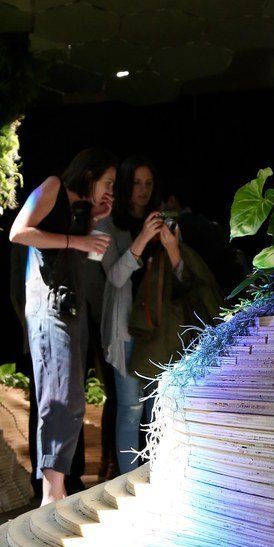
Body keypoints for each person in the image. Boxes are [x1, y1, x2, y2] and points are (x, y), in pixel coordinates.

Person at [10, 148, 116, 504]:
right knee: (59, 396)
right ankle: (51, 491)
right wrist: (79, 239)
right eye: (108, 182)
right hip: (49, 308)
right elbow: (19, 233)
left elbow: (75, 254)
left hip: (71, 309)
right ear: (89, 175)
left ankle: (56, 487)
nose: (110, 190)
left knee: (72, 399)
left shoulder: (79, 211)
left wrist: (92, 223)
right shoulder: (53, 186)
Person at [101, 157, 170, 473]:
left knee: (158, 408)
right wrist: (142, 239)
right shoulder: (109, 224)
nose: (142, 191)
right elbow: (114, 277)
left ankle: (157, 475)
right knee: (130, 407)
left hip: (159, 330)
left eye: (149, 184)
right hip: (126, 329)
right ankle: (127, 482)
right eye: (136, 183)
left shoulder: (163, 222)